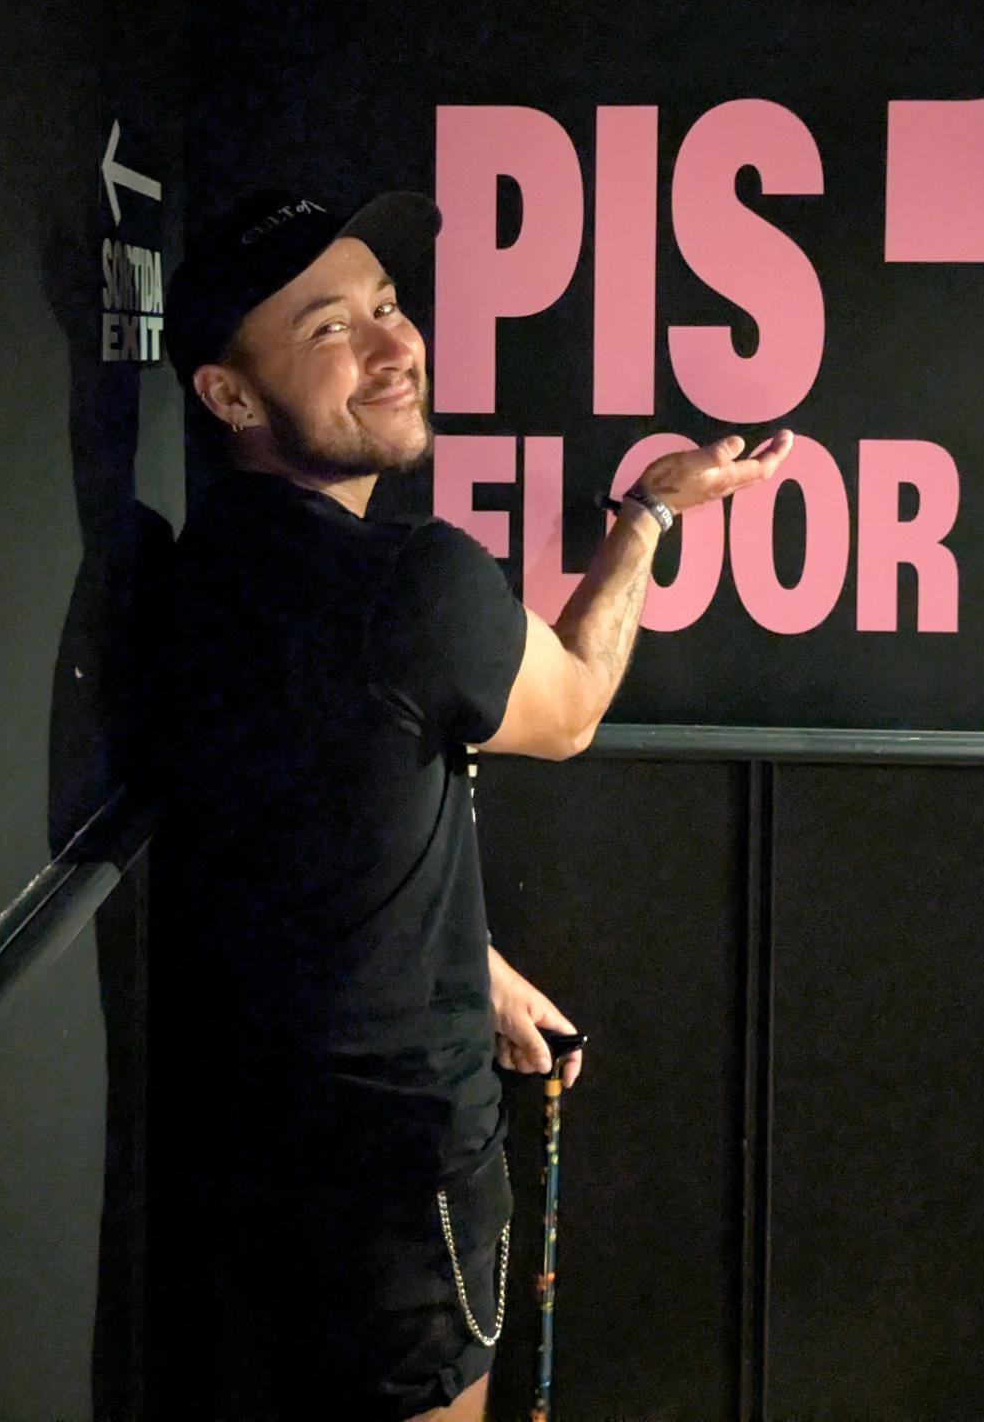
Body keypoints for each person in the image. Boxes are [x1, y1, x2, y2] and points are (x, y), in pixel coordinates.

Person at [156, 184, 793, 1422]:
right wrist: (652, 511)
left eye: (387, 304)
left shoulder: (202, 564)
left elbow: (316, 828)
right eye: (329, 326)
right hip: (398, 1175)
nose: (393, 345)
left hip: (236, 1152)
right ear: (229, 394)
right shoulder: (414, 582)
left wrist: (479, 974)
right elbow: (574, 703)